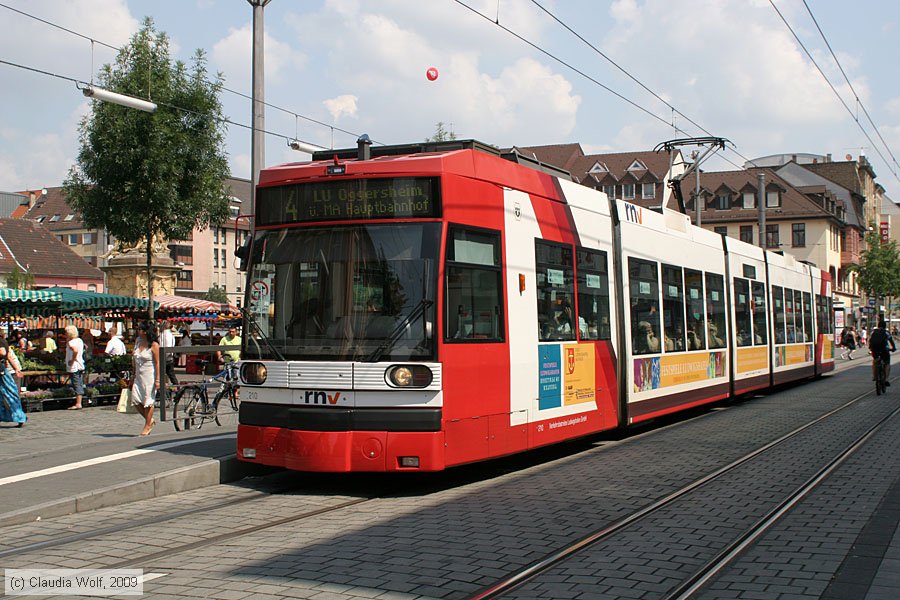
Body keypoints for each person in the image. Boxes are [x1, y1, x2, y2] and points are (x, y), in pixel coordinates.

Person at [130, 321, 160, 436]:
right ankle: (150, 420)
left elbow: (157, 363)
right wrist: (132, 375)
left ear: (145, 331)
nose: (138, 331)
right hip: (138, 375)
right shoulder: (138, 341)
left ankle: (147, 425)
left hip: (149, 375)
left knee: (148, 401)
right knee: (136, 399)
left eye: (140, 329)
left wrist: (158, 379)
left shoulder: (154, 345)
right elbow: (134, 360)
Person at [0, 330, 26, 427]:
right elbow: (9, 357)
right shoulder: (4, 342)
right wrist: (16, 369)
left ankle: (19, 416)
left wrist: (16, 369)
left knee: (10, 393)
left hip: (2, 371)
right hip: (4, 369)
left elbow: (3, 353)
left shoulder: (1, 342)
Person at [868, 319, 896, 385]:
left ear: (878, 326)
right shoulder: (886, 332)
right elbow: (891, 341)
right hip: (884, 350)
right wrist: (893, 348)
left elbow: (870, 341)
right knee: (887, 363)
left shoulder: (873, 332)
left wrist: (870, 348)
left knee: (875, 361)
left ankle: (875, 376)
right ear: (885, 326)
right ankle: (886, 379)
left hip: (875, 349)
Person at [64, 326, 86, 410]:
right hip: (80, 364)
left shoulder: (71, 342)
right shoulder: (79, 340)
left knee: (76, 383)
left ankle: (78, 403)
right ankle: (79, 401)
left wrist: (72, 360)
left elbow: (75, 350)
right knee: (79, 382)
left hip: (74, 366)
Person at [158, 321, 178, 386]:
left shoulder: (162, 335)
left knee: (161, 374)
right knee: (171, 374)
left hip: (163, 357)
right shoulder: (171, 335)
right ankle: (176, 387)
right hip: (170, 357)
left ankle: (163, 389)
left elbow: (161, 345)